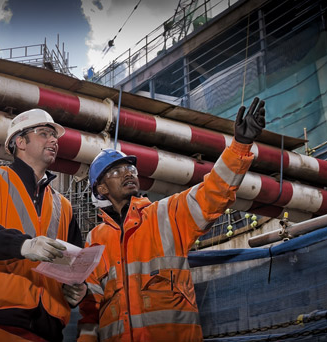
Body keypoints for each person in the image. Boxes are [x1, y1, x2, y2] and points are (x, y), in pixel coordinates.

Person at [77, 98, 266, 342]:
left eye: (130, 170)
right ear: (101, 188)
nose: (127, 173)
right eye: (116, 172)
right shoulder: (95, 239)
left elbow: (213, 193)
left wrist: (240, 145)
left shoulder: (166, 214)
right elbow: (90, 310)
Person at [0, 108, 87, 342]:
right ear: (20, 142)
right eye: (44, 133)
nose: (53, 140)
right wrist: (24, 245)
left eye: (54, 136)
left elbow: (73, 264)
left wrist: (78, 289)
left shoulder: (64, 206)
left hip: (49, 329)